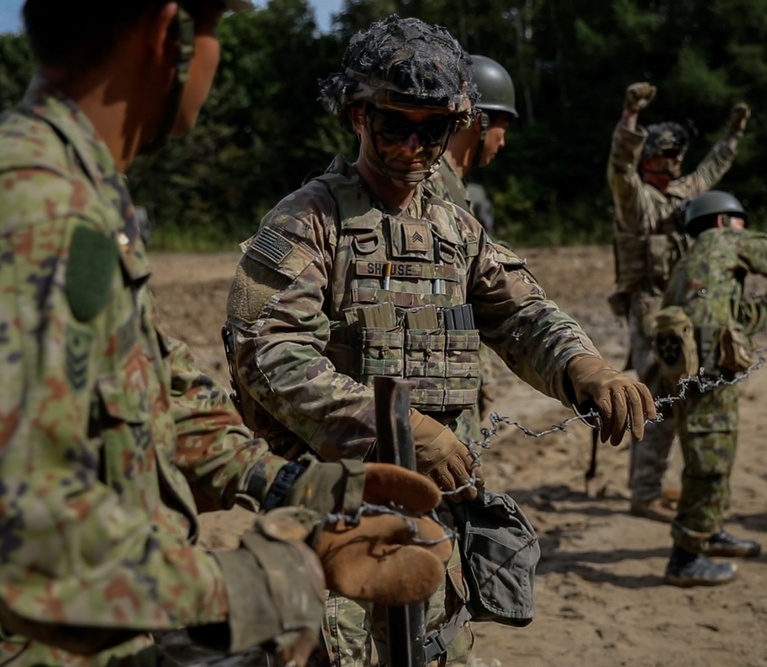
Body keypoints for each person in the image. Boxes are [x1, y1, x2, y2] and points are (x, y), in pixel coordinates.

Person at [0, 2, 452, 665]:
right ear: (167, 33)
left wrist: (302, 490)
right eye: (213, 30)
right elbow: (36, 555)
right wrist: (281, 578)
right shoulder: (40, 212)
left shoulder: (75, 194)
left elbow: (155, 395)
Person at [223, 15, 656, 666]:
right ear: (356, 115)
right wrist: (400, 427)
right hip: (338, 528)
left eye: (435, 129)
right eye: (395, 124)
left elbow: (521, 313)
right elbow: (266, 351)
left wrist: (583, 364)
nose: (413, 146)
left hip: (436, 531)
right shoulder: (309, 221)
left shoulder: (455, 228)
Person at [649, 191, 767, 586]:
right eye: (739, 221)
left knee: (711, 455)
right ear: (722, 221)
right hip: (708, 378)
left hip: (692, 376)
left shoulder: (690, 264)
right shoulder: (724, 241)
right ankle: (686, 557)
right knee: (710, 463)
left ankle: (708, 532)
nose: (743, 229)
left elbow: (723, 313)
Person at [607, 81, 750, 523]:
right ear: (652, 159)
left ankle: (650, 482)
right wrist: (630, 116)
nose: (677, 162)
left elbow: (712, 170)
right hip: (650, 309)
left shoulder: (681, 194)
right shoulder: (636, 201)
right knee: (658, 400)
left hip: (675, 308)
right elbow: (619, 166)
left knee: (674, 396)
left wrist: (733, 135)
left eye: (678, 156)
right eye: (669, 155)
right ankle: (644, 492)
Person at [421, 53, 518, 445]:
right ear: (478, 122)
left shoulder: (454, 190)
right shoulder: (431, 189)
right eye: (502, 126)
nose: (503, 140)